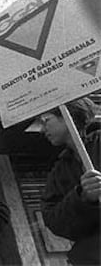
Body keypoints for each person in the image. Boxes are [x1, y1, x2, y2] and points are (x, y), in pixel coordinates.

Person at [38, 97, 101, 265]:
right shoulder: (59, 170)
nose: (42, 129)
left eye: (46, 121)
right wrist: (83, 198)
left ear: (69, 117)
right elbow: (53, 219)